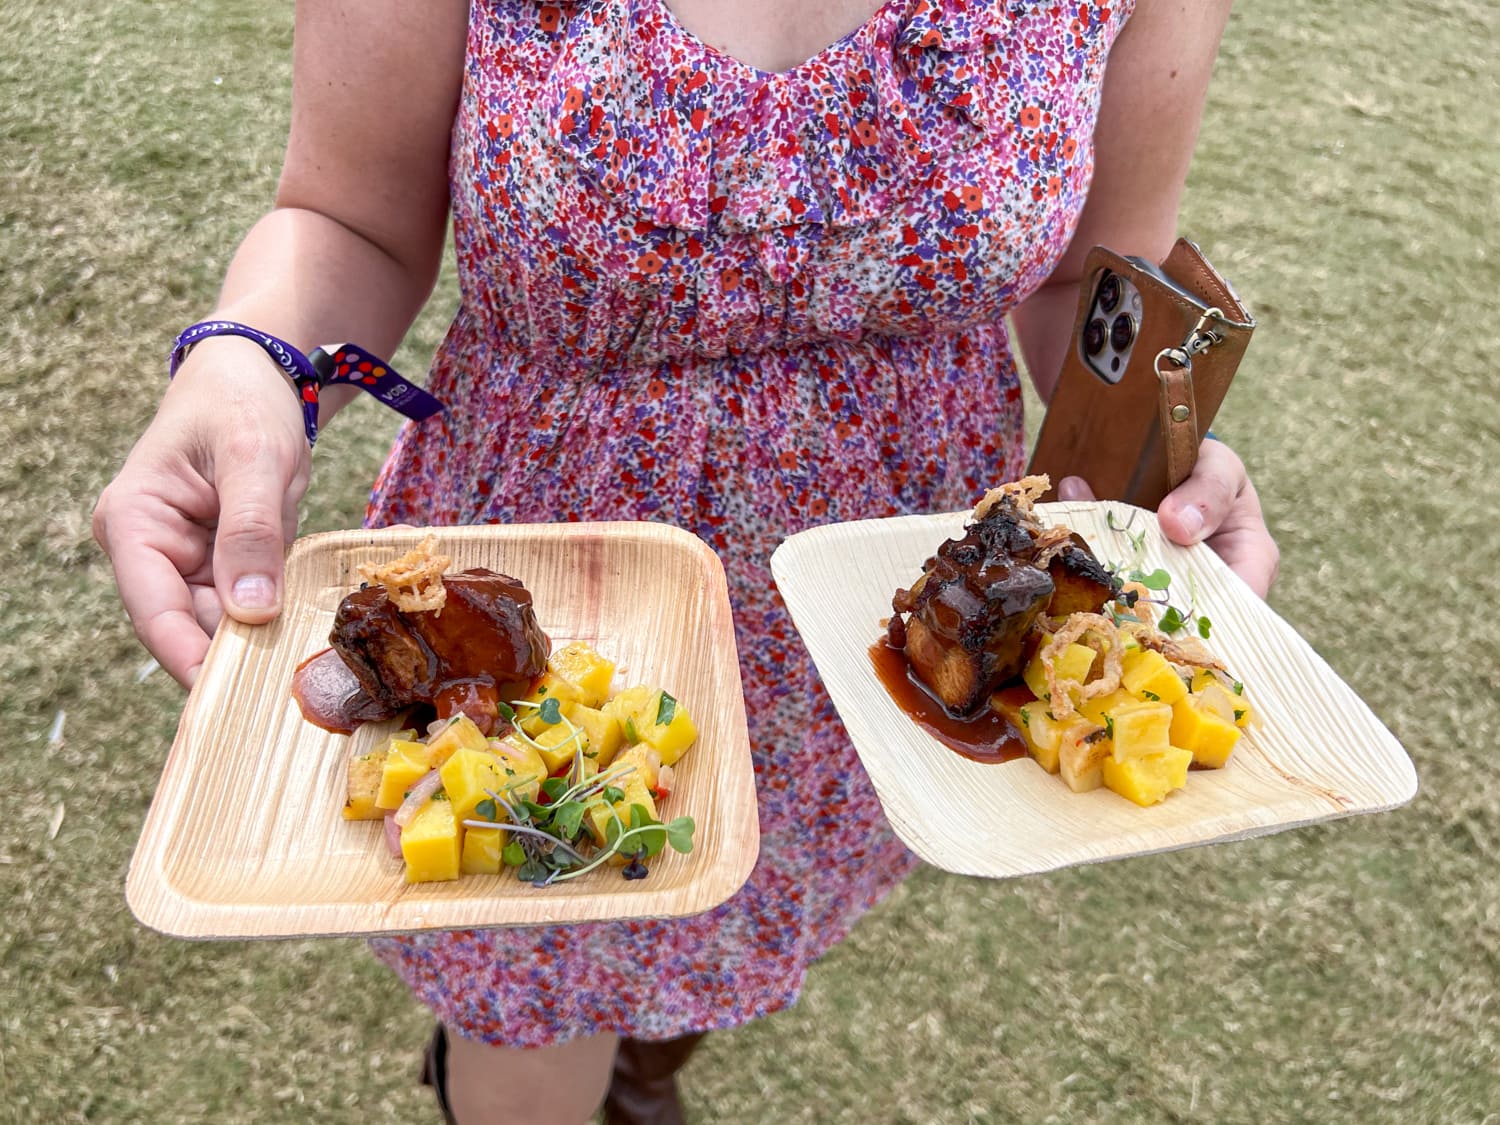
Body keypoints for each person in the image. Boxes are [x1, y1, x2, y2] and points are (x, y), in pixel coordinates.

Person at [93, 0, 1278, 1120]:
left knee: (742, 909)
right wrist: (246, 357)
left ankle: (650, 1064)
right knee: (525, 1008)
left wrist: (1158, 461)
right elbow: (349, 219)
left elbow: (1093, 276)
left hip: (885, 619)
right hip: (535, 607)